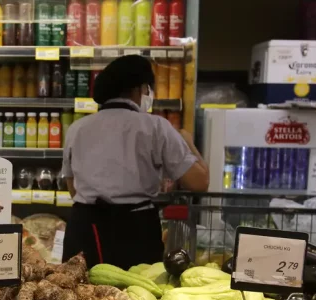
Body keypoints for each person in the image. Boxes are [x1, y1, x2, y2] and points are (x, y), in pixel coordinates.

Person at [61, 55, 209, 269]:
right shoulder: (156, 127)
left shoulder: (78, 128)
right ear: (140, 89)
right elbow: (199, 183)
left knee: (80, 294)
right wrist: (188, 142)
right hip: (136, 228)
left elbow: (72, 187)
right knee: (137, 295)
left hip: (85, 227)